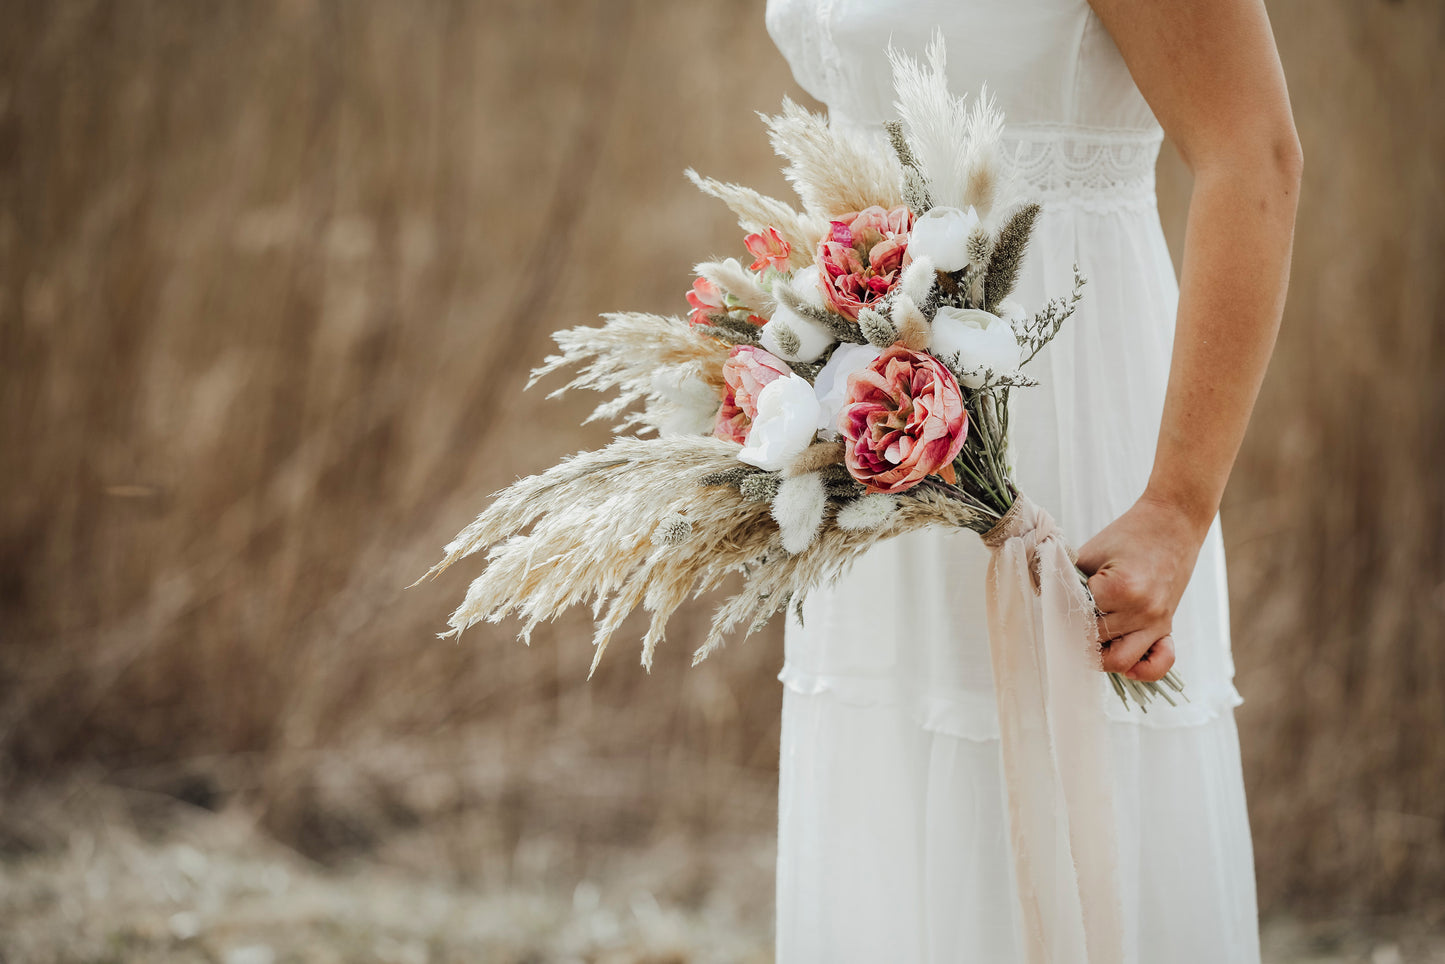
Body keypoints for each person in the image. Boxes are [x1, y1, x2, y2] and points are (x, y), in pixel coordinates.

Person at [764, 0, 1301, 960]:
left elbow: (1252, 154)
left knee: (1057, 807)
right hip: (874, 424)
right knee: (893, 798)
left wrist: (1175, 508)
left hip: (1065, 405)